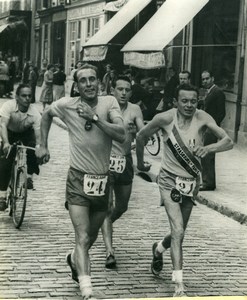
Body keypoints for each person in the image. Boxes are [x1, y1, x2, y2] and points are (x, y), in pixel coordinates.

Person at [36, 63, 125, 299]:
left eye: (92, 79)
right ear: (76, 86)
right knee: (83, 236)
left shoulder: (110, 103)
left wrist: (95, 118)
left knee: (91, 236)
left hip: (102, 181)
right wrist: (42, 144)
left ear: (99, 82)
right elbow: (46, 114)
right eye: (83, 80)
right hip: (77, 180)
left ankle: (73, 258)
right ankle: (87, 290)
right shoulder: (68, 105)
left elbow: (121, 133)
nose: (88, 84)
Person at [136, 84, 233, 297]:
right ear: (175, 102)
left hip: (190, 184)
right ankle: (179, 287)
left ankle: (159, 248)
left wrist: (208, 148)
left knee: (179, 232)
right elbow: (141, 136)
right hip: (169, 181)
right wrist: (141, 162)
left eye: (193, 101)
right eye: (184, 101)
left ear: (197, 101)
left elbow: (228, 141)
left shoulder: (203, 118)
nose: (189, 105)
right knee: (178, 230)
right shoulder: (165, 119)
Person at [100, 75, 150, 269]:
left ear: (131, 92)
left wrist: (141, 160)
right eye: (119, 89)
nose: (123, 93)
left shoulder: (135, 109)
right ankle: (109, 252)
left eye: (127, 90)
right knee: (107, 207)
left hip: (125, 161)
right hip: (105, 160)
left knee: (122, 207)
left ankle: (105, 225)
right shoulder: (104, 106)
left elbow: (143, 134)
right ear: (113, 90)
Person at [0, 84, 41, 211]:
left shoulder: (35, 113)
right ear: (17, 97)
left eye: (29, 96)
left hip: (26, 133)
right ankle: (2, 197)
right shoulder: (8, 106)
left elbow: (38, 134)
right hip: (9, 132)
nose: (27, 98)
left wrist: (40, 147)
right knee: (5, 163)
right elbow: (2, 125)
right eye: (23, 95)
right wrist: (6, 143)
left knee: (33, 150)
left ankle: (29, 177)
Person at [200, 70, 226, 191]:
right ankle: (206, 180)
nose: (205, 81)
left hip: (211, 129)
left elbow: (221, 113)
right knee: (204, 154)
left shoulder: (218, 92)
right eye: (203, 79)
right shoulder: (209, 92)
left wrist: (213, 126)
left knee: (208, 155)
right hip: (206, 128)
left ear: (213, 78)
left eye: (207, 78)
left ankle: (208, 183)